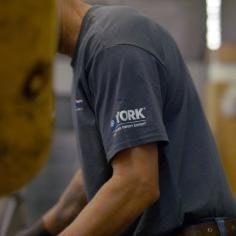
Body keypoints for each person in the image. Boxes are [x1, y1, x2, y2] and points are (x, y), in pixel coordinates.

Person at [19, 0, 236, 235]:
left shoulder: (112, 44)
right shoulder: (91, 52)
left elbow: (136, 183)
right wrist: (39, 231)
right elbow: (92, 181)